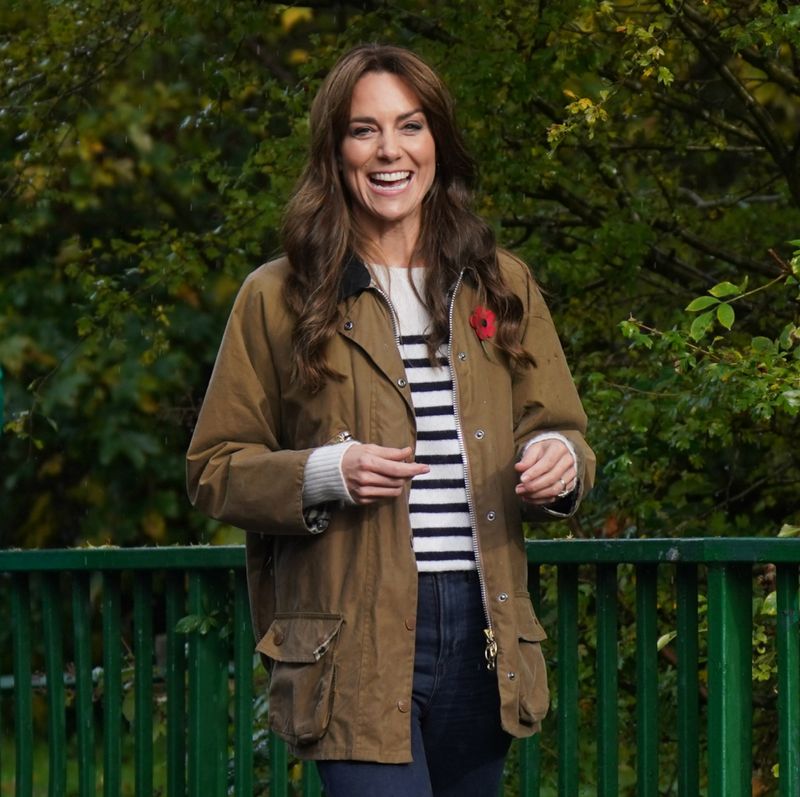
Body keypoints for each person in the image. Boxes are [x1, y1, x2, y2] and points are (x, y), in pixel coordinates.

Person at [186, 43, 595, 797]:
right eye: (363, 129)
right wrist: (323, 473)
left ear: (437, 138)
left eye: (409, 125)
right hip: (352, 635)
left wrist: (561, 459)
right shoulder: (277, 295)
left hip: (484, 627)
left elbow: (563, 428)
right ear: (334, 151)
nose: (389, 150)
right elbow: (214, 468)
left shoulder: (501, 283)